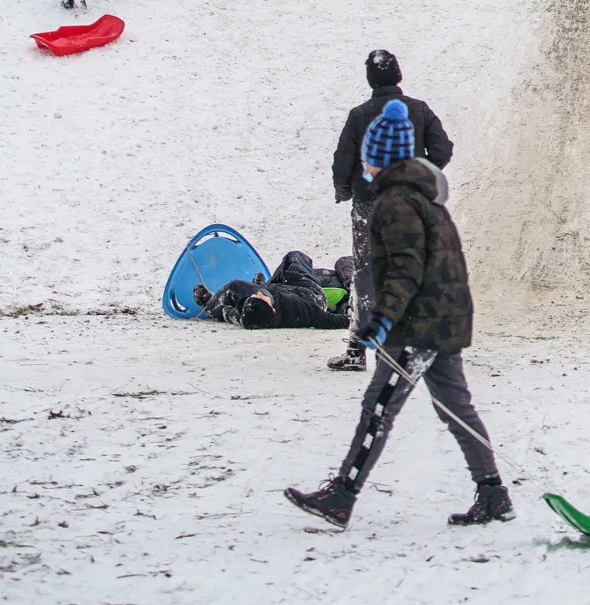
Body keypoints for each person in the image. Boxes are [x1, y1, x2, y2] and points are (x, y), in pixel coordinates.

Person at [288, 98, 509, 531]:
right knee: (455, 407)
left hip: (419, 325)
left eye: (370, 157)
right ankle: (493, 493)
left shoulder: (396, 203)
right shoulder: (424, 197)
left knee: (378, 406)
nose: (366, 164)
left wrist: (384, 317)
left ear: (380, 159)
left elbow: (406, 268)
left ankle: (342, 494)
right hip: (443, 319)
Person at [330, 50, 455, 372]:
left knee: (366, 275)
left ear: (371, 80)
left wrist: (344, 191)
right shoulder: (420, 110)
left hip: (369, 204)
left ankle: (357, 352)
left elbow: (342, 161)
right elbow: (443, 148)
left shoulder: (360, 115)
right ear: (398, 75)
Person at [194, 251, 354, 329]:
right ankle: (266, 285)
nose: (257, 294)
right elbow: (325, 319)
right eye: (260, 296)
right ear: (271, 306)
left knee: (236, 286)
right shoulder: (296, 308)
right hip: (309, 292)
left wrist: (211, 306)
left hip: (280, 289)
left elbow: (229, 314)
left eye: (256, 295)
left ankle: (266, 285)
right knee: (295, 257)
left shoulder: (250, 313)